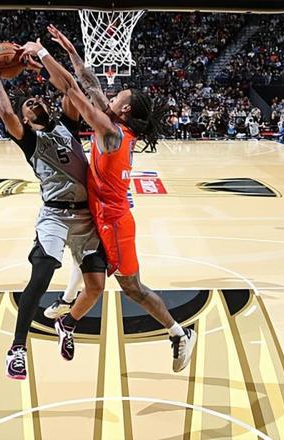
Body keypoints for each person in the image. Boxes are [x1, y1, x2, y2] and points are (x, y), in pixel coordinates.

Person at [24, 26, 196, 373]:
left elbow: (72, 89)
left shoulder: (110, 131)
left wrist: (41, 53)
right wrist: (72, 51)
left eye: (118, 95)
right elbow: (89, 83)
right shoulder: (114, 122)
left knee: (132, 287)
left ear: (125, 108)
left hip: (114, 221)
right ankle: (68, 315)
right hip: (100, 214)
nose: (111, 95)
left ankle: (179, 333)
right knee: (90, 269)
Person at [0, 48, 107, 380]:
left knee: (96, 285)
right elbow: (4, 110)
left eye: (36, 99)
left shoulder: (68, 123)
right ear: (25, 119)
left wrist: (42, 63)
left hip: (85, 218)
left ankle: (67, 323)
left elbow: (69, 86)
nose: (33, 101)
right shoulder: (29, 139)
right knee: (41, 276)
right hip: (54, 216)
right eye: (27, 104)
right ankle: (17, 349)